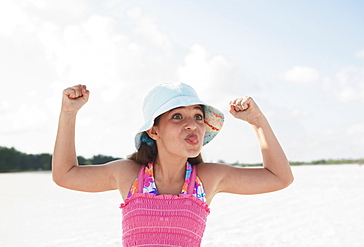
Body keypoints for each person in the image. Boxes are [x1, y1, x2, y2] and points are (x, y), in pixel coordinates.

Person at [52, 82, 293, 246]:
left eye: (198, 116)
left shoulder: (206, 179)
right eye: (177, 116)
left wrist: (257, 121)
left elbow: (280, 178)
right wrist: (69, 113)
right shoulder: (129, 175)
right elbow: (65, 175)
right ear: (154, 130)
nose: (192, 124)